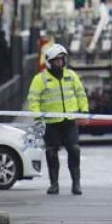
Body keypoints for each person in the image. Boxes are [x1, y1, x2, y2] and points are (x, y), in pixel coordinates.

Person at [26, 44, 89, 195]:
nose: (60, 63)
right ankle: (54, 184)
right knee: (51, 152)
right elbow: (33, 100)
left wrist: (84, 112)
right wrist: (38, 117)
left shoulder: (71, 76)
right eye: (56, 60)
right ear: (49, 62)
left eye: (62, 59)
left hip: (69, 121)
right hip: (51, 123)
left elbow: (81, 94)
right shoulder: (40, 79)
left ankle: (76, 184)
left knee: (74, 150)